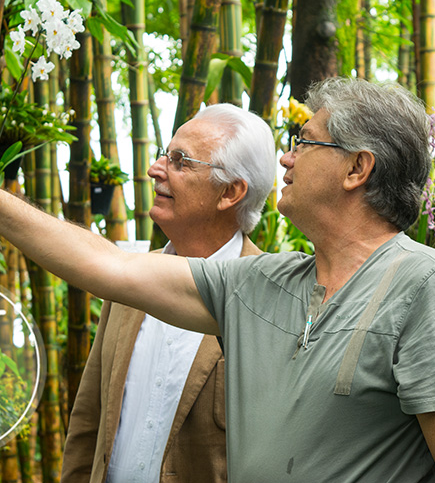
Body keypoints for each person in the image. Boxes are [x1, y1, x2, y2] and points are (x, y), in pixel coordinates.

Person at [0, 77, 435, 482]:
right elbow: (109, 263)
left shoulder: (429, 289)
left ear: (357, 168)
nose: (285, 158)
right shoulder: (261, 283)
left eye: (304, 142)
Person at [61, 104, 276, 483]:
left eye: (180, 161)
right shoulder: (128, 282)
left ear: (230, 192)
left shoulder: (269, 300)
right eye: (164, 153)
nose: (155, 169)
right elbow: (88, 419)